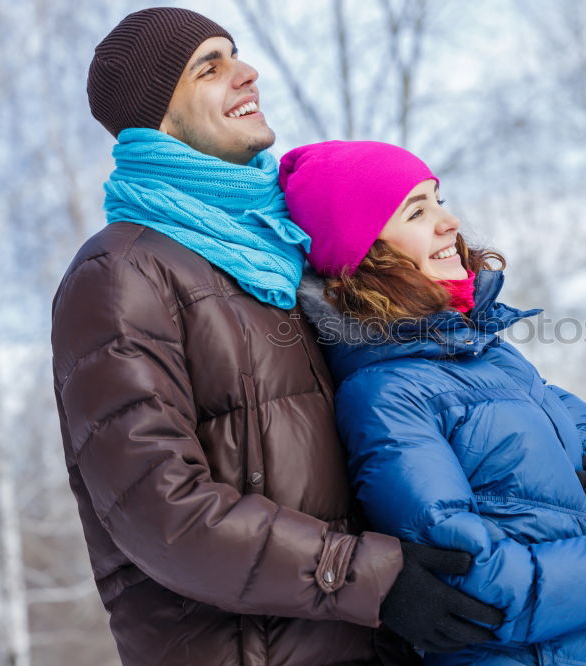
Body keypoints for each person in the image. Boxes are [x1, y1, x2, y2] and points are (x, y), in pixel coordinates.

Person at [51, 8, 504, 665]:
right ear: (156, 116)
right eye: (211, 66)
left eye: (236, 55)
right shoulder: (121, 274)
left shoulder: (288, 254)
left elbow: (413, 406)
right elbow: (161, 512)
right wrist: (371, 578)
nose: (248, 74)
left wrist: (552, 476)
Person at [280, 140, 586, 665]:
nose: (450, 222)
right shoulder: (386, 394)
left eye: (438, 199)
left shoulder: (495, 359)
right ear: (367, 253)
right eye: (417, 212)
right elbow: (471, 580)